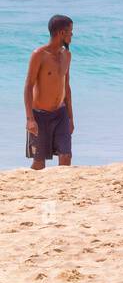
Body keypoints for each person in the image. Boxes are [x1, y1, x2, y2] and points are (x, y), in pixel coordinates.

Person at [24, 15, 74, 170]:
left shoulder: (67, 55)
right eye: (70, 31)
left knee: (66, 156)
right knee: (39, 163)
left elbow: (67, 87)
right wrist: (30, 119)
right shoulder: (39, 55)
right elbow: (28, 86)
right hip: (39, 116)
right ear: (61, 33)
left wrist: (71, 118)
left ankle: (63, 193)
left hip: (61, 114)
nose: (72, 35)